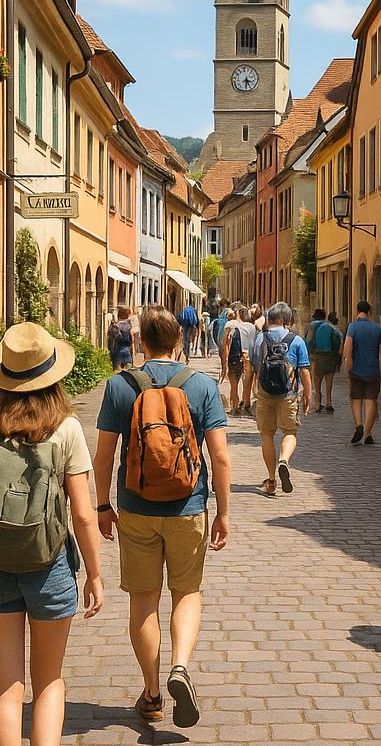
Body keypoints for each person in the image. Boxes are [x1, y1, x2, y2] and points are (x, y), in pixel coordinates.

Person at [0, 323, 104, 746]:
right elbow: (85, 516)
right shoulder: (66, 428)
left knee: (4, 685)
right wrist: (94, 573)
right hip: (49, 566)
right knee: (49, 681)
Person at [94, 306, 231, 727]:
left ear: (140, 343)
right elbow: (221, 457)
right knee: (186, 592)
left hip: (136, 508)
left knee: (144, 600)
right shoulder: (203, 386)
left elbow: (103, 457)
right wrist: (223, 512)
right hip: (189, 506)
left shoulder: (120, 386)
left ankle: (152, 693)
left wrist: (102, 506)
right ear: (178, 341)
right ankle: (180, 666)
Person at [251, 301, 311, 496]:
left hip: (265, 392)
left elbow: (256, 365)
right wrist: (308, 396)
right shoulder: (297, 340)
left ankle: (271, 479)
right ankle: (284, 460)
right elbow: (304, 371)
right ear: (287, 320)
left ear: (270, 319)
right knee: (290, 432)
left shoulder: (261, 338)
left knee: (266, 435)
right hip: (288, 394)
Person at [343, 301, 381, 446]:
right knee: (371, 401)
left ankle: (359, 425)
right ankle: (368, 433)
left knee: (356, 399)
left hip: (356, 369)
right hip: (373, 370)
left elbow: (348, 348)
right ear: (370, 311)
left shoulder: (352, 327)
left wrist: (347, 365)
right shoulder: (379, 329)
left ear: (357, 311)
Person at [221, 307, 256, 416]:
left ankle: (235, 407)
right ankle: (246, 405)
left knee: (234, 383)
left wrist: (224, 362)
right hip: (248, 356)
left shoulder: (232, 325)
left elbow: (225, 343)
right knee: (247, 383)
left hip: (235, 357)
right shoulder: (252, 327)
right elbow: (255, 343)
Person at [307, 309, 344, 412]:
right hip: (330, 356)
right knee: (329, 381)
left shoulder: (312, 325)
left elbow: (308, 341)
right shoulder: (330, 327)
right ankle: (329, 402)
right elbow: (340, 337)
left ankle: (318, 403)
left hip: (316, 356)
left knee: (317, 381)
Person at [108, 306, 137, 372]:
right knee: (128, 373)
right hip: (127, 351)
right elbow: (132, 341)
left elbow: (110, 342)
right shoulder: (129, 326)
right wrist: (133, 356)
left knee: (117, 373)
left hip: (116, 352)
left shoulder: (114, 326)